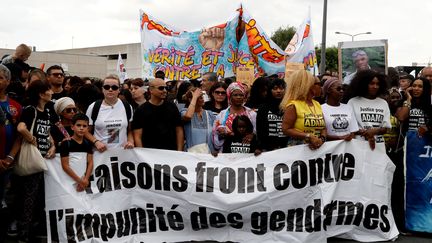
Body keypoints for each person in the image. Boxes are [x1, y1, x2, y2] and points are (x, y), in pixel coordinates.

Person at [16, 80, 56, 242]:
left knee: (39, 198)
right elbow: (21, 128)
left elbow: (48, 132)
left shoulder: (46, 112)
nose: (52, 92)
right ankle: (23, 233)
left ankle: (34, 230)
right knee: (29, 198)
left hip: (44, 158)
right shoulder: (30, 110)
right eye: (49, 89)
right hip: (33, 159)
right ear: (41, 94)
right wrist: (32, 139)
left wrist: (52, 145)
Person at [85, 75, 134, 152]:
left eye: (114, 87)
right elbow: (85, 131)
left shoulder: (127, 106)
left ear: (119, 90)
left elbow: (130, 130)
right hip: (100, 155)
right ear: (102, 89)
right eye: (107, 87)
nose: (110, 90)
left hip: (122, 154)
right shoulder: (93, 107)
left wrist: (130, 141)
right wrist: (96, 142)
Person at [132, 78, 184, 151]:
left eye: (166, 88)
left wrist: (179, 151)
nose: (165, 91)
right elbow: (137, 136)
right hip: (150, 155)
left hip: (171, 154)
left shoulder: (172, 107)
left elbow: (179, 130)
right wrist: (142, 155)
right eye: (161, 88)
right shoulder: (141, 110)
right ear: (151, 90)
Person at [280, 70, 326, 150]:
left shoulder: (317, 104)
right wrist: (308, 136)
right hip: (298, 150)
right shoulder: (293, 105)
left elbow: (324, 128)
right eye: (318, 84)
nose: (321, 87)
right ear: (308, 86)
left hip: (317, 149)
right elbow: (286, 129)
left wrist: (321, 139)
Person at [347, 70, 391, 150]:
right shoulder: (353, 102)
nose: (375, 86)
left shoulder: (383, 103)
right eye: (372, 83)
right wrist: (366, 133)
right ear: (363, 84)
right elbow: (349, 126)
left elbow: (385, 128)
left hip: (378, 147)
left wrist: (374, 131)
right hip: (359, 146)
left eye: (377, 84)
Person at [212, 82, 256, 152]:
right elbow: (215, 135)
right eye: (235, 95)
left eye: (241, 95)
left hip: (247, 152)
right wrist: (221, 133)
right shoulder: (221, 115)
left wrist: (252, 135)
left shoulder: (252, 114)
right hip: (227, 153)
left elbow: (256, 131)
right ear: (230, 96)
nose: (238, 97)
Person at [59, 113, 94, 192]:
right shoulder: (66, 143)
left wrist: (85, 179)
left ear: (88, 128)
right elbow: (65, 166)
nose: (81, 128)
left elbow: (90, 162)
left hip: (82, 181)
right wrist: (79, 181)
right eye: (78, 125)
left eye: (84, 126)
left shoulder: (88, 144)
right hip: (69, 182)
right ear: (72, 127)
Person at [256, 78, 288, 151]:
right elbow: (260, 129)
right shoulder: (263, 108)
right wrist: (260, 146)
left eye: (281, 88)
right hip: (268, 149)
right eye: (275, 88)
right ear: (270, 90)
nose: (278, 91)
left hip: (286, 148)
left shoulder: (289, 106)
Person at [181, 87, 215, 153]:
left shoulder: (210, 114)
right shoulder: (184, 112)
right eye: (199, 97)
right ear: (191, 99)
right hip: (191, 154)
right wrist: (194, 97)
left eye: (203, 97)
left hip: (209, 155)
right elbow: (188, 116)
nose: (203, 99)